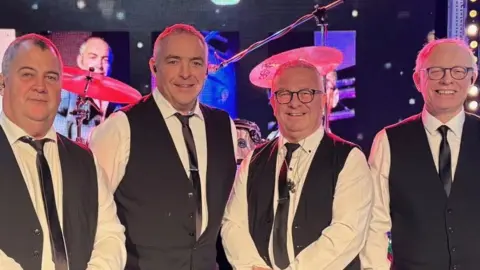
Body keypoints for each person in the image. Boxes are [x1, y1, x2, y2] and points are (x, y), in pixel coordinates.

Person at [89, 24, 237, 270]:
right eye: (174, 61)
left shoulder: (224, 126)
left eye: (196, 63)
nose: (186, 73)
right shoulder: (119, 128)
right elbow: (92, 220)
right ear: (153, 67)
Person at [221, 59, 373, 270]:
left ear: (322, 100)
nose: (295, 102)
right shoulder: (253, 160)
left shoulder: (349, 158)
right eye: (284, 94)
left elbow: (347, 231)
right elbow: (232, 223)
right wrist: (252, 266)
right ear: (273, 103)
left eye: (306, 93)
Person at [0, 34, 126, 269]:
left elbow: (110, 236)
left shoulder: (85, 161)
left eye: (51, 77)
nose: (40, 86)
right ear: (2, 83)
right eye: (28, 74)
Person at [360, 38, 479, 270]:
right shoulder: (388, 141)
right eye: (435, 71)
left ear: (472, 78)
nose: (447, 79)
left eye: (458, 71)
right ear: (418, 80)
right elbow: (373, 223)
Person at [54, 36, 120, 142]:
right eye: (93, 57)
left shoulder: (116, 101)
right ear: (80, 61)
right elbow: (48, 120)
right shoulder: (67, 90)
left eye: (105, 60)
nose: (99, 65)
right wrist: (87, 133)